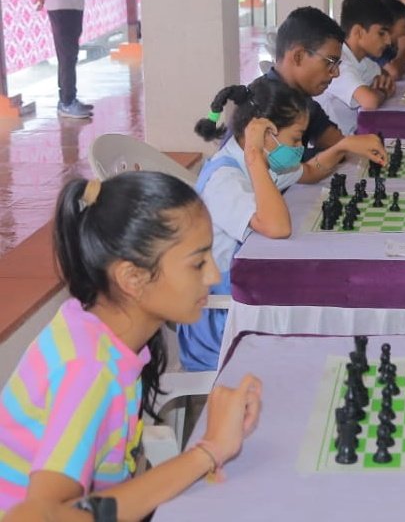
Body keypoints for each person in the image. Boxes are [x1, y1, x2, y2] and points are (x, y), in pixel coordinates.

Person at [0, 172, 263, 518]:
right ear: (132, 278)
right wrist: (208, 451)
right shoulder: (90, 371)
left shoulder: (94, 323)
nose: (213, 276)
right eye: (198, 262)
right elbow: (39, 514)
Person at [184, 78, 310, 369]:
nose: (300, 147)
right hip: (220, 322)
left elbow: (309, 172)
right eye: (295, 139)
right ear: (264, 133)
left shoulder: (257, 163)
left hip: (244, 297)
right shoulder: (227, 178)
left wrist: (346, 146)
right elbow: (278, 227)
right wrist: (255, 153)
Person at [261, 7, 387, 168]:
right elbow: (294, 168)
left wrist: (350, 145)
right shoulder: (262, 106)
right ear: (298, 56)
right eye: (330, 63)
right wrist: (343, 148)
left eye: (337, 65)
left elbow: (336, 141)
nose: (336, 73)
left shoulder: (303, 101)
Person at [315, 0, 396, 133]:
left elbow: (386, 76)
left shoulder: (363, 60)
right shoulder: (339, 62)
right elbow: (370, 101)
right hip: (330, 146)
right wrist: (382, 91)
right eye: (381, 33)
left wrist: (382, 81)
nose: (388, 41)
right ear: (358, 32)